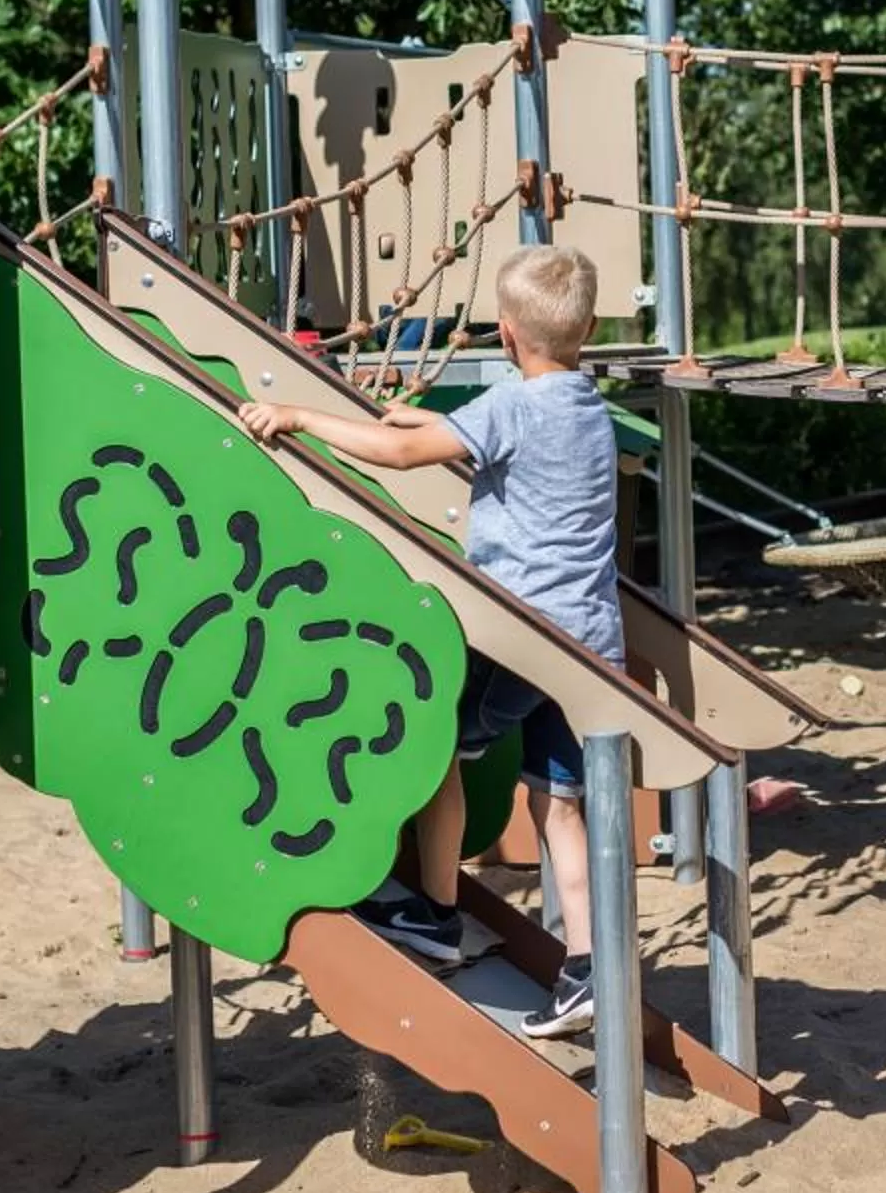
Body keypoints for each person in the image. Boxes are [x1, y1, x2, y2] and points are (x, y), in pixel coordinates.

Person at [235, 243, 623, 1038]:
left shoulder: (512, 408)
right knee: (559, 807)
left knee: (430, 743)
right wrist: (436, 422)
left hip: (523, 637)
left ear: (507, 336)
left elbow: (407, 454)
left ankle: (435, 915)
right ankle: (588, 970)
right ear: (586, 330)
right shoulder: (587, 404)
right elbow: (462, 438)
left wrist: (301, 416)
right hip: (587, 644)